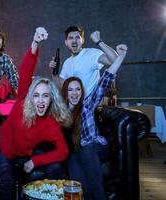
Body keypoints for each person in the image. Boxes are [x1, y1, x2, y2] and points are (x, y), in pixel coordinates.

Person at [0, 27, 73, 200]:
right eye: (36, 95)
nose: (40, 101)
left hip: (26, 155)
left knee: (55, 168)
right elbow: (26, 70)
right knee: (6, 181)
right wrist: (35, 42)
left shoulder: (51, 123)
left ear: (51, 99)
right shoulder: (22, 99)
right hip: (5, 152)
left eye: (45, 96)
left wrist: (34, 162)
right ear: (30, 96)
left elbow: (63, 151)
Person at [61, 44, 128, 200]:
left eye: (78, 89)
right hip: (79, 151)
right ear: (66, 92)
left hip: (97, 146)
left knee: (86, 149)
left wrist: (121, 58)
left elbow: (106, 79)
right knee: (73, 160)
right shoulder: (62, 113)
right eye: (71, 90)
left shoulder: (87, 104)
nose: (74, 93)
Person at [50, 25, 118, 97]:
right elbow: (61, 87)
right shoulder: (67, 62)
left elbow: (115, 60)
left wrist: (99, 42)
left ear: (83, 40)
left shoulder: (91, 54)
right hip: (74, 106)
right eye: (71, 38)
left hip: (90, 106)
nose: (74, 41)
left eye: (77, 38)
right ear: (66, 42)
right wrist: (53, 72)